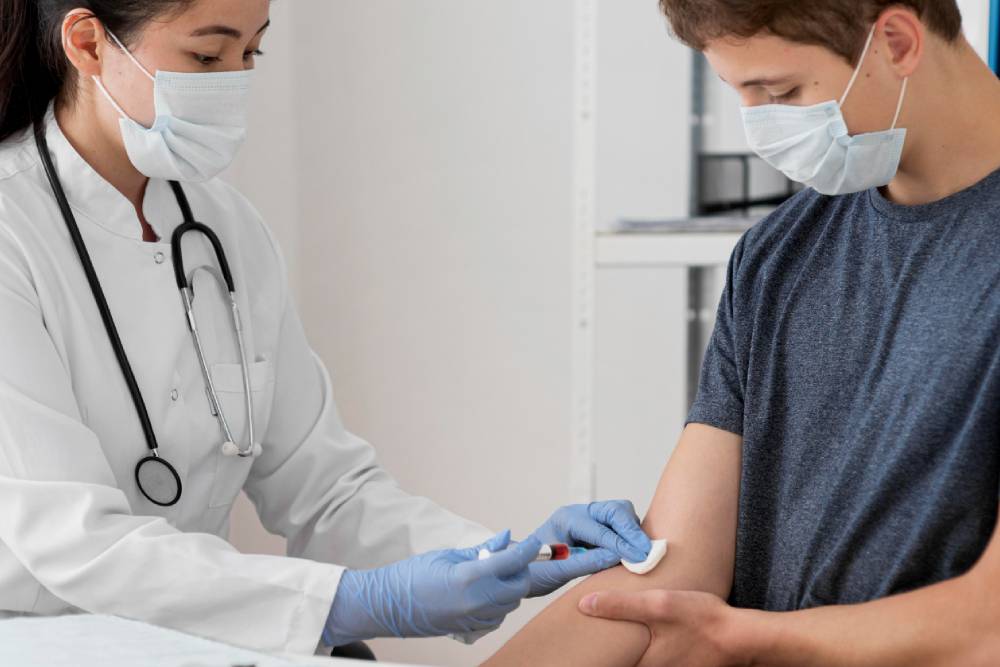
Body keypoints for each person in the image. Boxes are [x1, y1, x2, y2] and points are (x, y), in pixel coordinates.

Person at [0, 0, 654, 656]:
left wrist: (512, 553)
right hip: (39, 634)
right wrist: (351, 603)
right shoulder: (11, 230)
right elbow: (76, 541)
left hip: (187, 630)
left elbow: (324, 487)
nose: (234, 80)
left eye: (252, 53)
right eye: (206, 55)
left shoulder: (225, 230)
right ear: (87, 45)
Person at [483, 0, 1000, 665]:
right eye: (738, 92)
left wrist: (750, 640)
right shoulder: (777, 258)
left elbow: (987, 623)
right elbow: (674, 570)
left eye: (780, 92)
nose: (760, 126)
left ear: (896, 42)